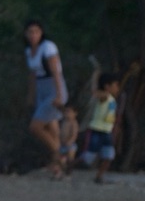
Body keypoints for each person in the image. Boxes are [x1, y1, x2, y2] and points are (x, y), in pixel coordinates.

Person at [23, 21, 70, 177]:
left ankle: (61, 153)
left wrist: (58, 95)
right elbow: (32, 74)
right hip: (41, 88)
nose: (33, 35)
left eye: (36, 31)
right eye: (30, 32)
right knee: (51, 128)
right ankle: (59, 167)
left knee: (36, 126)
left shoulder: (48, 47)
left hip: (53, 87)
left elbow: (56, 72)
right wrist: (31, 95)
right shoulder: (29, 50)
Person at [81, 72, 122, 183]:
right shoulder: (105, 97)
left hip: (107, 131)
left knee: (108, 156)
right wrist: (95, 78)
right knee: (88, 157)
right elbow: (95, 93)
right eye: (116, 85)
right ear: (107, 86)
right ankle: (68, 166)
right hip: (96, 130)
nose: (118, 88)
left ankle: (99, 176)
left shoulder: (112, 100)